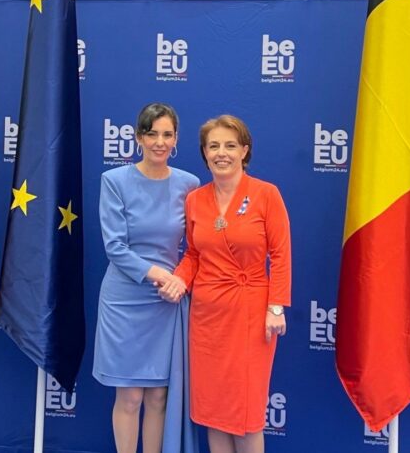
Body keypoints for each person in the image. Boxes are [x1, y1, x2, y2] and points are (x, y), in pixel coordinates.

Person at [168, 114, 291, 453]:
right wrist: (179, 279)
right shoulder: (195, 199)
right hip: (207, 318)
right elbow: (193, 254)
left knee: (247, 416)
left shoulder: (266, 194)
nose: (221, 153)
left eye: (230, 145)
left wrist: (276, 307)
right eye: (213, 146)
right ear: (204, 153)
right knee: (214, 411)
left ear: (244, 151)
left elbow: (281, 255)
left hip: (251, 315)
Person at [93, 102, 199, 453]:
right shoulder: (114, 181)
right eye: (152, 134)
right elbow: (115, 247)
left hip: (166, 302)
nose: (160, 142)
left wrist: (177, 281)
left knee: (157, 396)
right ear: (138, 137)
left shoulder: (189, 184)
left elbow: (196, 247)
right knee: (130, 397)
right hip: (125, 299)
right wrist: (159, 275)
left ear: (176, 139)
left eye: (167, 135)